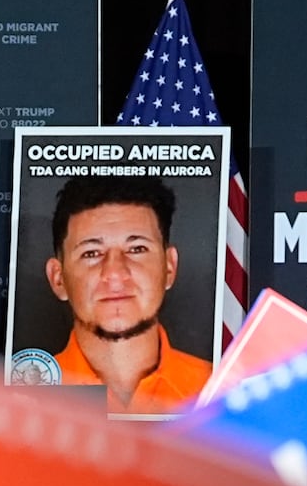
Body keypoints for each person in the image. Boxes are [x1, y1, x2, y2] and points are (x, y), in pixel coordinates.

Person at [39, 175, 212, 413]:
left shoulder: (218, 391)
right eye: (91, 253)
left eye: (137, 249)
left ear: (169, 267)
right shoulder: (25, 397)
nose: (115, 273)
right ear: (58, 278)